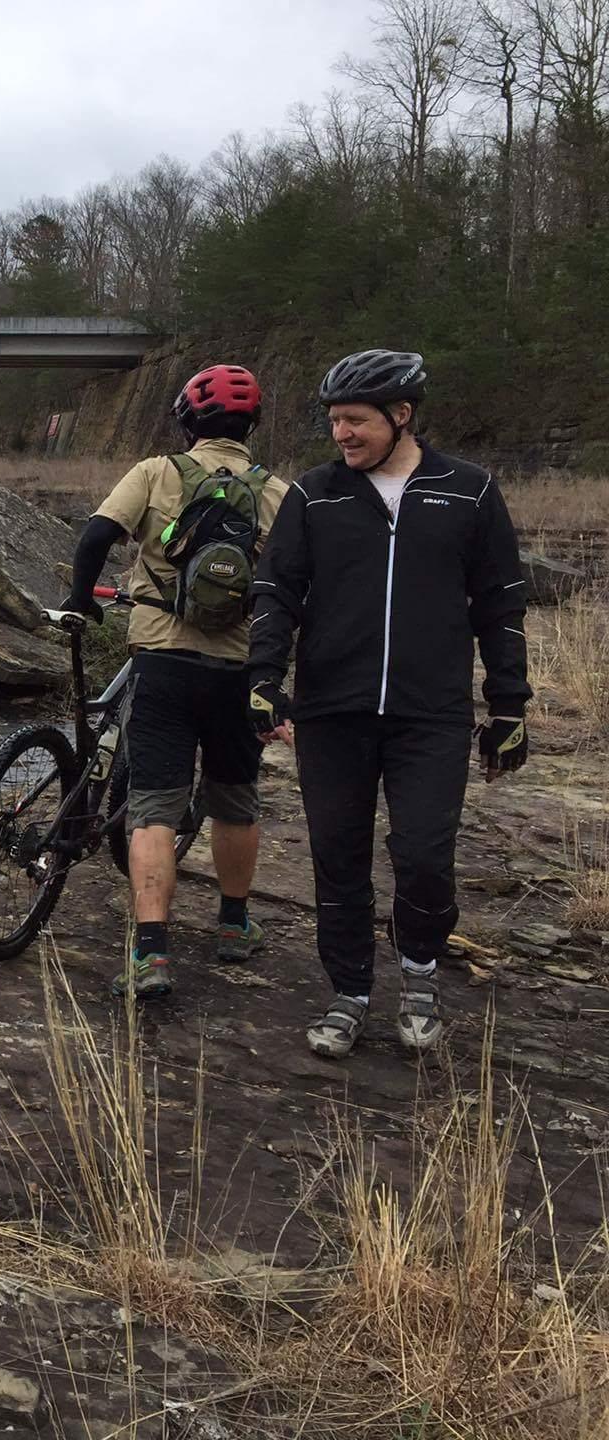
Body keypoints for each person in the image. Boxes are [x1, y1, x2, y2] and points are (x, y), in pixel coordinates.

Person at [248, 350, 529, 1059]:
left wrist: (509, 705)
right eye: (335, 420)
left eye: (356, 420)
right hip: (332, 712)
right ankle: (348, 993)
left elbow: (500, 604)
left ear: (401, 415)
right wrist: (262, 679)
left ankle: (421, 973)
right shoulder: (315, 496)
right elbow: (276, 593)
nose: (341, 434)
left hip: (429, 714)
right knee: (338, 858)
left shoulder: (468, 491)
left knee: (425, 856)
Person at [60, 364, 289, 999]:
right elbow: (305, 588)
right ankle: (234, 926)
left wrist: (81, 599)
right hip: (240, 669)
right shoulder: (278, 493)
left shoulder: (157, 472)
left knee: (156, 804)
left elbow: (97, 536)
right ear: (250, 426)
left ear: (188, 420)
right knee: (235, 800)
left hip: (162, 658)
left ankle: (151, 954)